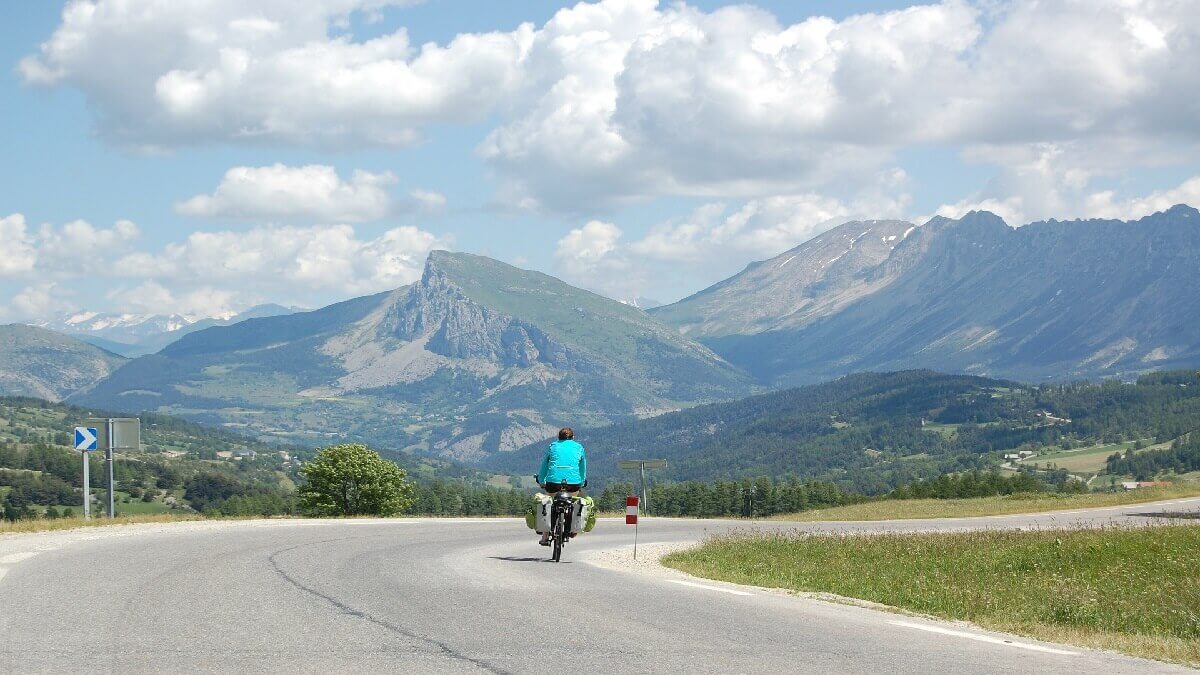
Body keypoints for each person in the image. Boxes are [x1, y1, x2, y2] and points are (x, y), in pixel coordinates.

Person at [536, 427, 587, 545]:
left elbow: (545, 464)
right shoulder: (579, 447)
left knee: (549, 502)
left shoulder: (553, 446)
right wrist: (582, 482)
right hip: (573, 483)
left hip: (553, 482)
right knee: (574, 501)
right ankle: (573, 528)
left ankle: (545, 536)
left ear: (558, 437)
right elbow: (582, 467)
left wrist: (541, 480)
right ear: (573, 438)